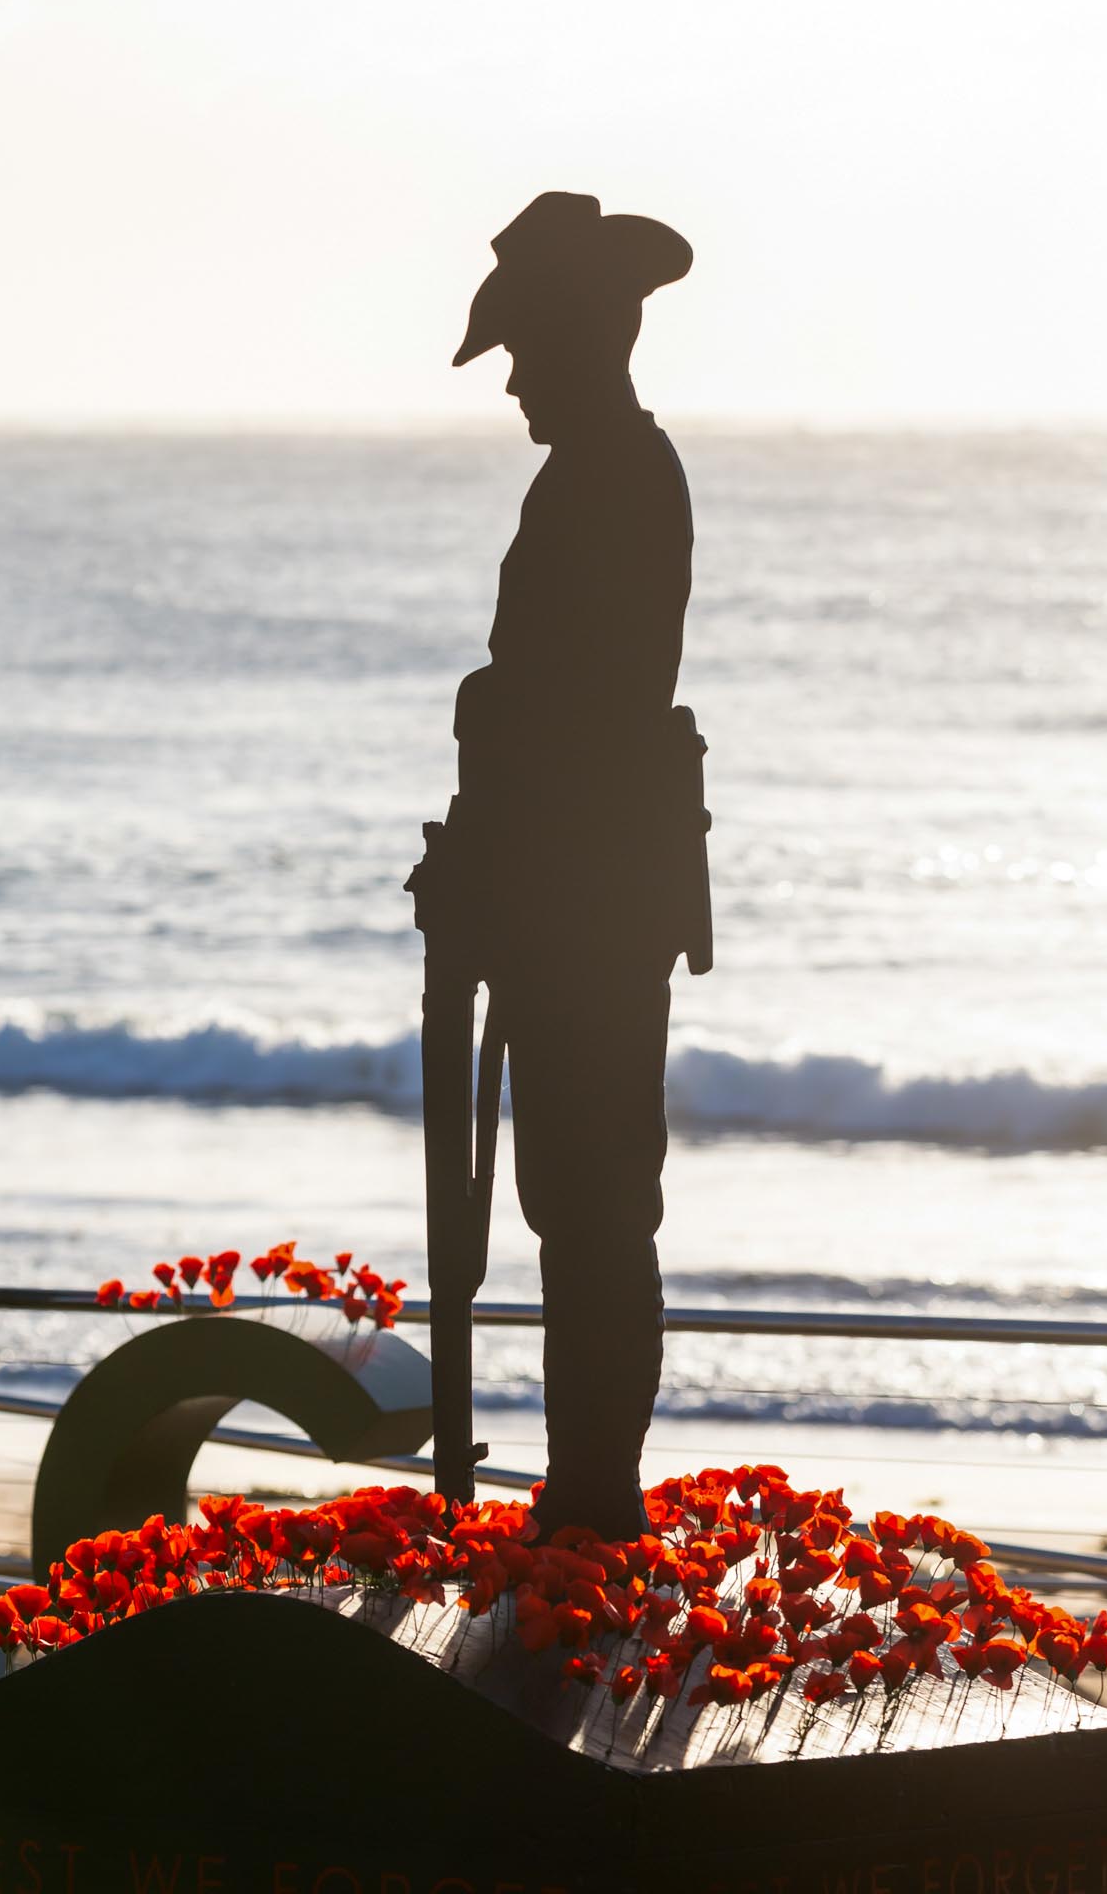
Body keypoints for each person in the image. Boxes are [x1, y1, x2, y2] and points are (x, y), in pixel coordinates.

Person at [441, 190, 696, 1540]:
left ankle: (595, 1493)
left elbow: (564, 707)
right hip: (567, 893)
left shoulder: (613, 477)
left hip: (586, 903)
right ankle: (585, 1484)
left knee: (593, 1206)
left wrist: (495, 751)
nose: (519, 382)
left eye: (530, 351)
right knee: (574, 1205)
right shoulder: (598, 471)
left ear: (588, 338)